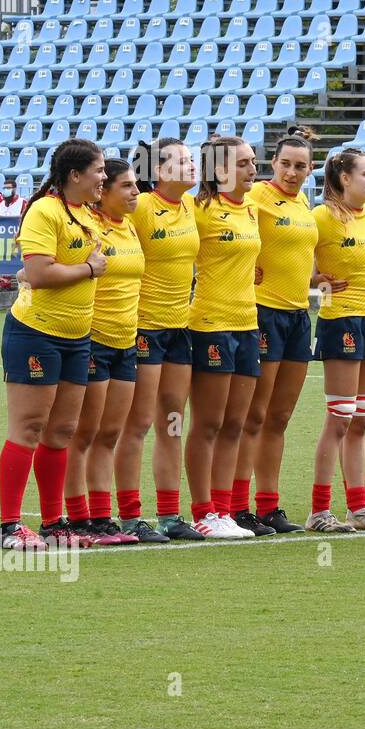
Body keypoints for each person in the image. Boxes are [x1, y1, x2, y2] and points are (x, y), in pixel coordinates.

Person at [0, 139, 106, 551]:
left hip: (77, 337)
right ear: (74, 175)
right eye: (97, 170)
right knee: (28, 428)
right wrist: (88, 268)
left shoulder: (87, 214)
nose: (103, 177)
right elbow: (38, 274)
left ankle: (53, 523)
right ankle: (10, 527)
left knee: (61, 431)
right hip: (35, 333)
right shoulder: (44, 210)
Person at [231, 129, 321, 535]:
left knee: (280, 417)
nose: (292, 171)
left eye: (300, 166)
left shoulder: (304, 201)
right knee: (255, 414)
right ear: (273, 164)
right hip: (262, 314)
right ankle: (236, 506)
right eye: (285, 164)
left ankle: (268, 506)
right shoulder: (255, 198)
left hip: (298, 315)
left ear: (310, 169)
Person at [115, 137, 204, 541]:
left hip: (179, 329)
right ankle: (131, 517)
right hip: (144, 328)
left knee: (172, 422)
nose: (191, 165)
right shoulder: (142, 208)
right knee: (138, 423)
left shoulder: (190, 206)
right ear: (158, 170)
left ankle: (170, 515)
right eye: (181, 161)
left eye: (191, 159)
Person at [62, 158, 151, 544]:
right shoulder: (90, 227)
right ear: (105, 191)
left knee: (109, 434)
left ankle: (101, 518)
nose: (135, 192)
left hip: (125, 342)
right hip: (93, 339)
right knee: (84, 434)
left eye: (136, 185)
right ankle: (78, 517)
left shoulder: (130, 226)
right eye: (126, 186)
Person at [308, 149, 365, 532]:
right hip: (340, 320)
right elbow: (300, 262)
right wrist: (315, 281)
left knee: (364, 418)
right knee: (339, 419)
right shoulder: (321, 217)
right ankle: (319, 511)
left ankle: (359, 509)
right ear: (344, 178)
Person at [184, 135, 262, 538]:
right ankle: (203, 512)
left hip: (248, 325)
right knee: (208, 424)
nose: (253, 169)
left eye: (253, 162)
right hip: (210, 324)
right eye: (245, 163)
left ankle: (226, 509)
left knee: (236, 423)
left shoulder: (251, 208)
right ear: (219, 169)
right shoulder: (199, 210)